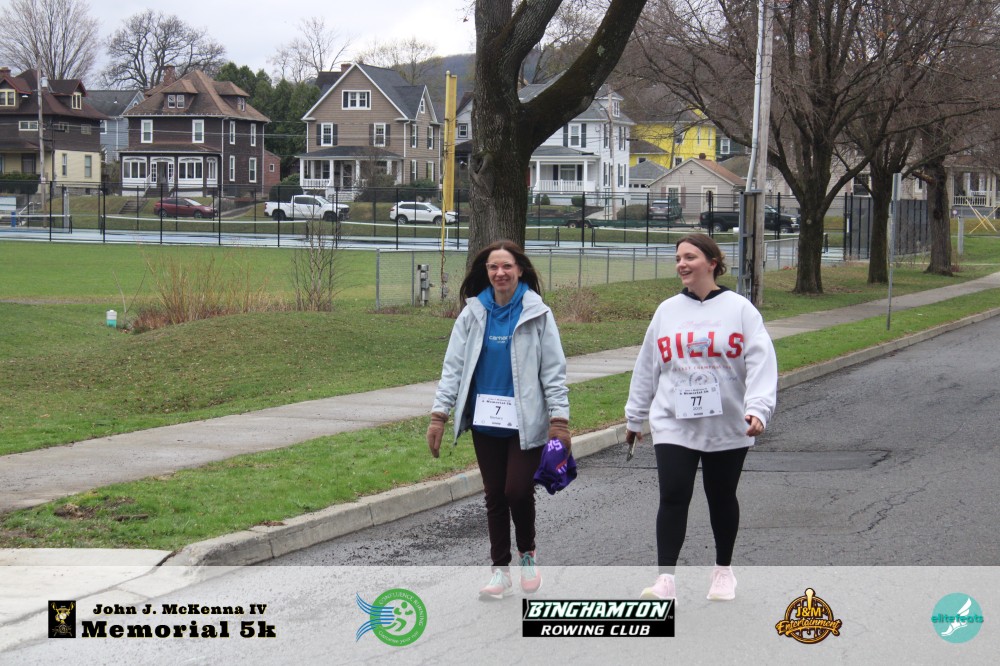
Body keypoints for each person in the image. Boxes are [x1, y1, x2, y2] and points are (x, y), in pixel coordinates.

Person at [625, 234, 777, 602]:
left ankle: (723, 571)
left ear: (712, 262)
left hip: (727, 423)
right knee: (673, 494)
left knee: (721, 496)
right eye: (678, 257)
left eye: (690, 257)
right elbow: (647, 365)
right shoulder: (667, 311)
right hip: (673, 422)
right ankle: (665, 579)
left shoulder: (740, 310)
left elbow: (761, 361)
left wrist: (758, 408)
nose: (681, 264)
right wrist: (635, 416)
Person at [426, 239, 571, 600]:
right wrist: (439, 415)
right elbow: (453, 368)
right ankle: (500, 572)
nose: (500, 273)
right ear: (486, 272)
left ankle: (528, 553)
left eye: (507, 266)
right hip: (486, 421)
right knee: (494, 495)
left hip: (527, 420)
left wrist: (559, 421)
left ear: (520, 270)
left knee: (517, 491)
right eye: (493, 267)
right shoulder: (473, 313)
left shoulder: (537, 314)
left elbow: (553, 371)